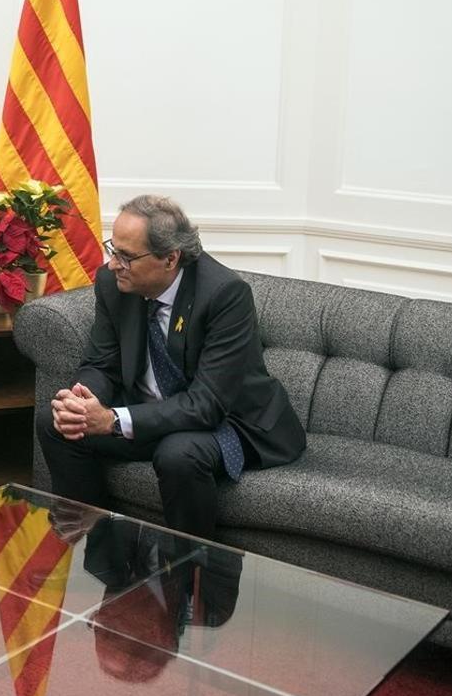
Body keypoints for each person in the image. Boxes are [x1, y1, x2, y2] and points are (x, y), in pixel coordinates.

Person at [38, 194, 305, 542]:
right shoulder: (114, 284)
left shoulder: (225, 294)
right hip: (155, 412)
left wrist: (114, 420)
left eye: (127, 257)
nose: (114, 264)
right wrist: (83, 401)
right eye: (112, 249)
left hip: (230, 420)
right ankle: (106, 553)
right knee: (57, 423)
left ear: (170, 258)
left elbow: (206, 404)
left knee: (179, 454)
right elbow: (101, 363)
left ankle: (190, 581)